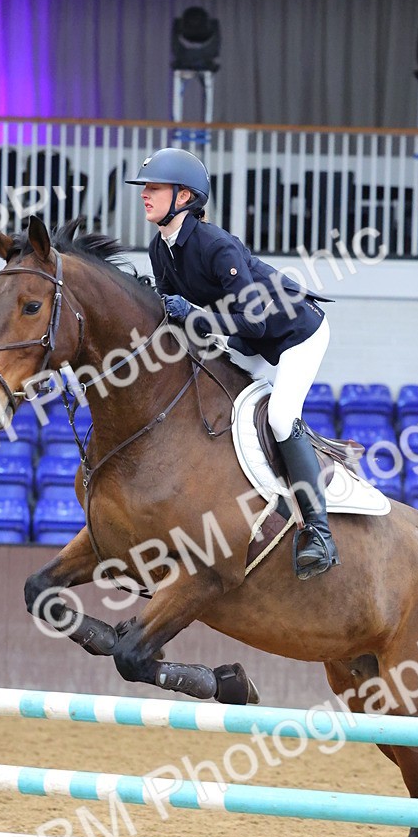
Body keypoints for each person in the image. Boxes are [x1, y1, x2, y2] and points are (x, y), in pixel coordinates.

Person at [126, 147, 339, 579]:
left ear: (184, 197)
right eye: (145, 188)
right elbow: (175, 319)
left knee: (279, 417)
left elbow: (254, 322)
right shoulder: (160, 249)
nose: (144, 194)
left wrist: (194, 315)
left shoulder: (216, 246)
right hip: (248, 340)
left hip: (296, 334)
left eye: (154, 188)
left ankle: (320, 533)